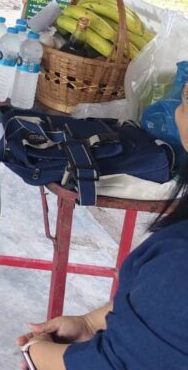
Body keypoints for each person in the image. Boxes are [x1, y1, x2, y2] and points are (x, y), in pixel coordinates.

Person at [15, 84, 188, 369]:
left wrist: (37, 354)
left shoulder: (178, 261)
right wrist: (91, 323)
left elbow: (111, 364)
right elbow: (166, 313)